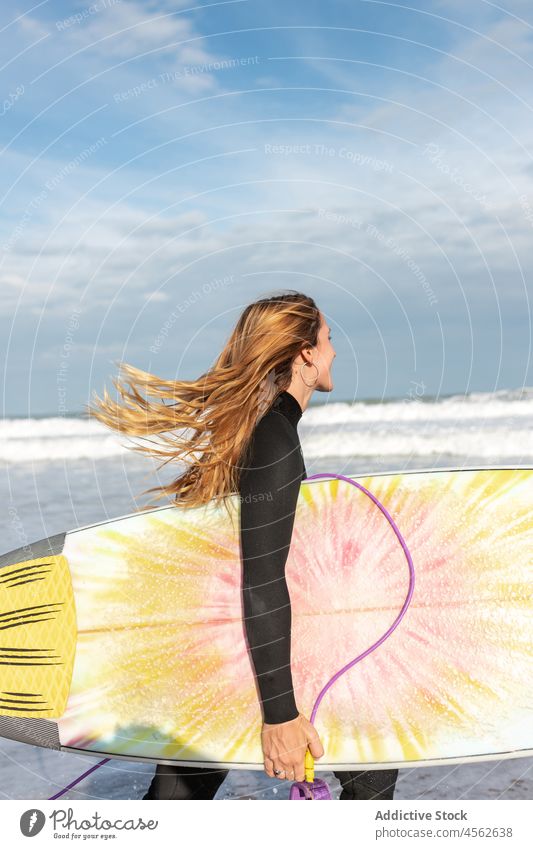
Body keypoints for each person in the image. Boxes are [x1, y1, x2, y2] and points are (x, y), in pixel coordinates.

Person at [86, 290, 399, 800]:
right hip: (251, 657)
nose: (335, 350)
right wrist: (280, 715)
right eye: (329, 338)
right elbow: (261, 577)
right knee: (373, 773)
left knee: (183, 788)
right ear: (305, 353)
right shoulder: (274, 439)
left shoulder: (258, 431)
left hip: (228, 651)